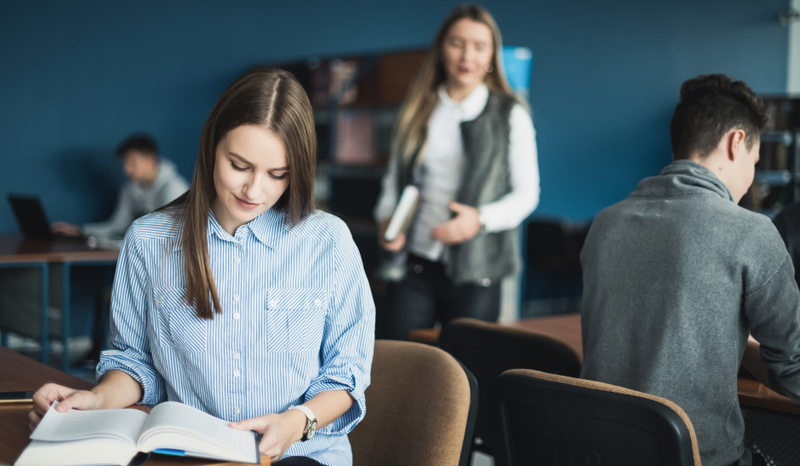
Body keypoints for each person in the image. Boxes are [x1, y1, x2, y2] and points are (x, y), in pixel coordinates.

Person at [28, 68, 375, 466]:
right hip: (191, 455)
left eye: (278, 174)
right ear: (211, 147)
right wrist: (95, 398)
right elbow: (136, 363)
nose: (254, 190)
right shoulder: (148, 241)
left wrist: (299, 420)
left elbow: (346, 373)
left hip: (301, 455)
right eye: (239, 165)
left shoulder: (327, 241)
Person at [580, 74, 800, 466]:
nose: (750, 181)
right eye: (754, 160)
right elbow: (794, 371)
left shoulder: (605, 224)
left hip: (600, 452)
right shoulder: (751, 231)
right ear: (736, 142)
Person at [373, 4, 540, 340]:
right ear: (441, 50)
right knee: (399, 364)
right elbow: (394, 180)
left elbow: (527, 194)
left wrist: (478, 219)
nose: (467, 56)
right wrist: (386, 219)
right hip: (415, 262)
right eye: (457, 43)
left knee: (465, 377)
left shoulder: (509, 113)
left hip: (476, 272)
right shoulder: (419, 108)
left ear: (492, 54)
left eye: (480, 46)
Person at [52, 134, 189, 238]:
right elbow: (118, 225)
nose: (126, 170)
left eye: (132, 163)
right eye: (125, 163)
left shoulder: (174, 188)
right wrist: (79, 231)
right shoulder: (130, 187)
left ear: (150, 160)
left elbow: (171, 233)